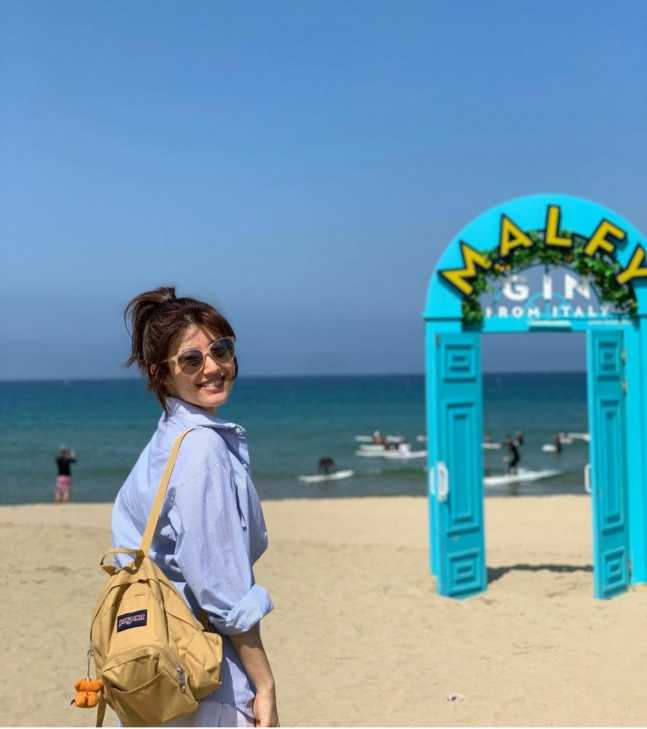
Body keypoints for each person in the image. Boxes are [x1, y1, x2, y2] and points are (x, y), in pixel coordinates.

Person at [112, 287, 279, 728]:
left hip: (158, 681)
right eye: (191, 360)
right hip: (206, 681)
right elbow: (221, 590)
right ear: (160, 374)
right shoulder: (202, 448)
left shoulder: (164, 443)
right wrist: (264, 684)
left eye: (221, 350)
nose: (213, 367)